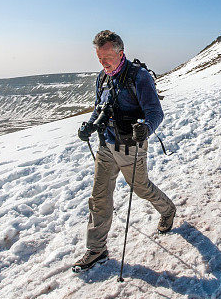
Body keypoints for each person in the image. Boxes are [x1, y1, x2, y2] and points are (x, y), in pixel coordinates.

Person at [73, 30, 176, 271]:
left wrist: (146, 128)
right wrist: (89, 125)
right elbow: (99, 108)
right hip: (106, 146)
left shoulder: (138, 77)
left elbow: (155, 112)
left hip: (131, 146)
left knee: (141, 188)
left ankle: (168, 209)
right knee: (99, 198)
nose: (104, 63)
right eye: (99, 58)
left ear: (122, 53)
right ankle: (97, 249)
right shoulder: (102, 78)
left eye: (108, 57)